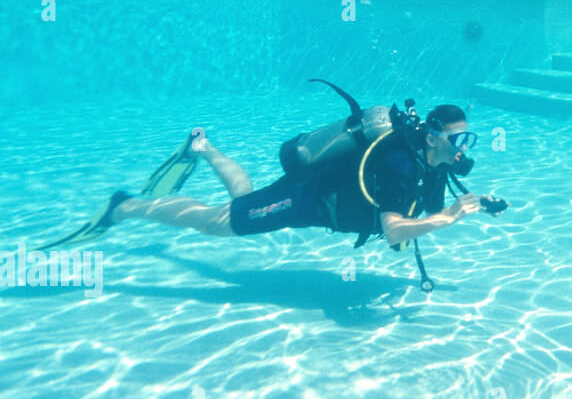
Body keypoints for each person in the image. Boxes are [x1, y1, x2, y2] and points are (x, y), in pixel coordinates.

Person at [52, 95, 491, 266]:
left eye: (468, 139)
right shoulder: (401, 161)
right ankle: (124, 205)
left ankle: (203, 149)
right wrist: (451, 217)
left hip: (317, 205)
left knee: (242, 198)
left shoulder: (432, 165)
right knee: (219, 223)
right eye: (459, 139)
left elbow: (403, 222)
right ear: (432, 135)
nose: (464, 148)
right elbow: (395, 227)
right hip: (306, 198)